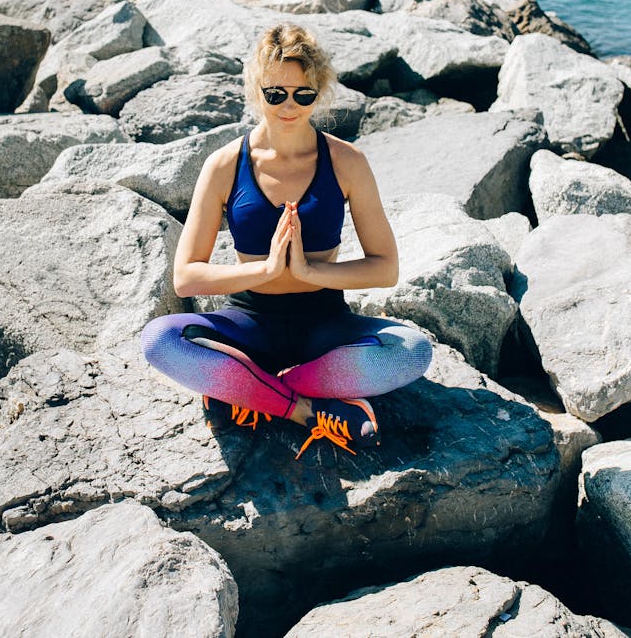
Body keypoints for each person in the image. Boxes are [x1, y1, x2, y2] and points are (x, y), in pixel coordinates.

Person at [140, 23, 432, 459]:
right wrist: (266, 270)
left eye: (303, 94)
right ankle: (302, 410)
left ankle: (245, 390)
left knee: (413, 351)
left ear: (320, 91)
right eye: (275, 93)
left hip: (325, 325)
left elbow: (385, 267)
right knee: (158, 341)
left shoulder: (347, 162)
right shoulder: (224, 165)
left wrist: (311, 272)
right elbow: (186, 277)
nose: (288, 105)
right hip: (249, 322)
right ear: (257, 90)